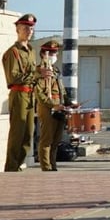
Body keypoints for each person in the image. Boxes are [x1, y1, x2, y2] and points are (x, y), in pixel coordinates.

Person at [2, 13, 39, 172]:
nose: (29, 31)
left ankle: (17, 165)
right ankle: (11, 168)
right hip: (19, 94)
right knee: (17, 134)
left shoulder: (30, 50)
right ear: (17, 29)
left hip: (30, 95)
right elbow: (13, 77)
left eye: (31, 28)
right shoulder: (13, 52)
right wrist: (36, 74)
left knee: (28, 135)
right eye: (25, 27)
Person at [34, 38, 66, 172]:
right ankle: (46, 167)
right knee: (46, 139)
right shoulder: (41, 71)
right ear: (43, 55)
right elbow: (39, 93)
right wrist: (53, 105)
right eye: (52, 54)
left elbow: (61, 89)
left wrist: (68, 103)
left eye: (56, 53)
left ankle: (53, 165)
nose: (55, 56)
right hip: (47, 108)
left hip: (59, 106)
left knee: (56, 140)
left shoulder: (55, 70)